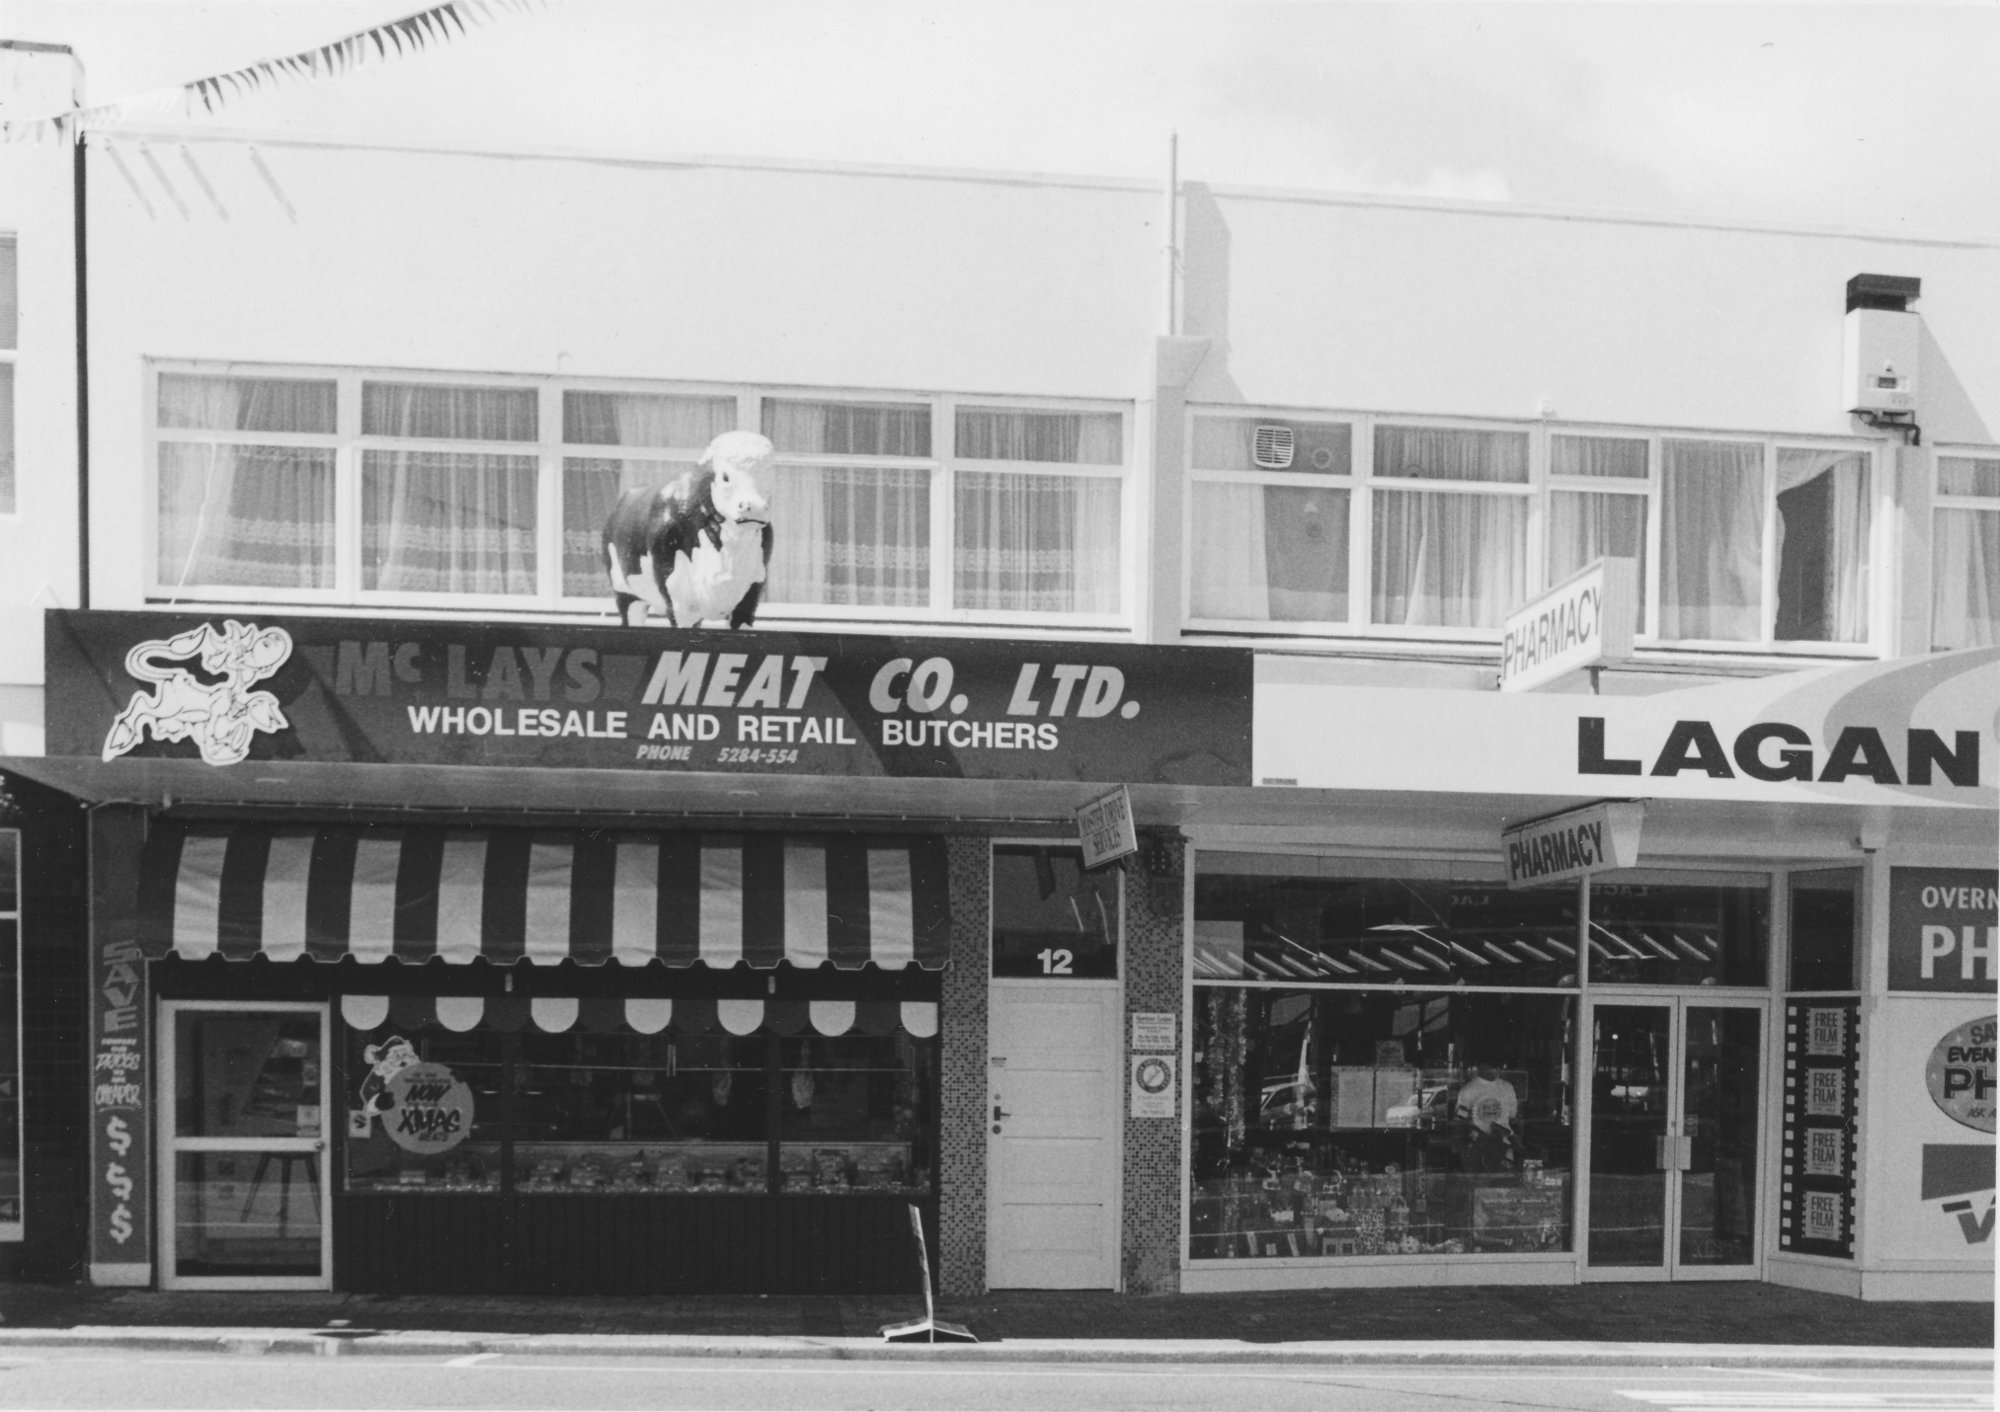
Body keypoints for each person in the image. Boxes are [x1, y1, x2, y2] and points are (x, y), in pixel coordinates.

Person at [1452, 1064, 1522, 1173]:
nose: (1493, 1068)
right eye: (1489, 1064)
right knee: (1480, 1185)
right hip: (1478, 1148)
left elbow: (1513, 1116)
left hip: (1503, 1150)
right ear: (1481, 1065)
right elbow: (1459, 1119)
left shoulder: (1507, 1087)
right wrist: (1468, 1116)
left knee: (1503, 1186)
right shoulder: (1468, 1089)